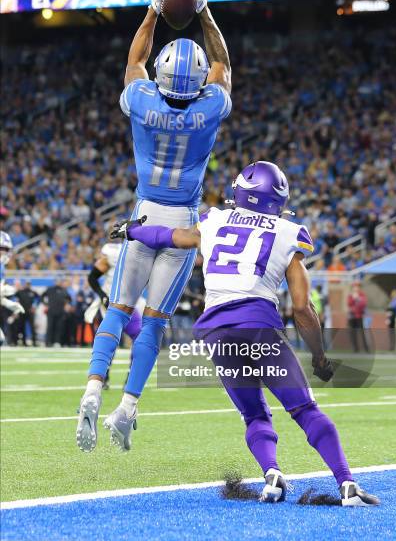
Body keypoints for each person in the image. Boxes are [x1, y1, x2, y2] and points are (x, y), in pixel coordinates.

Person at [111, 161, 379, 506]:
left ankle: (272, 475)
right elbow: (301, 307)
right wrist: (320, 356)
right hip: (257, 328)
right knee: (304, 409)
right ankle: (347, 484)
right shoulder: (288, 231)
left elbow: (171, 236)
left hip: (215, 333)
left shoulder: (215, 219)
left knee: (254, 414)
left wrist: (132, 230)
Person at [76, 0, 232, 452]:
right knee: (157, 320)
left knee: (119, 311)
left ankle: (91, 392)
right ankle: (127, 409)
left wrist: (151, 9)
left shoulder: (142, 99)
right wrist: (201, 10)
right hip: (182, 222)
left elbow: (135, 59)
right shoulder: (210, 106)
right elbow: (223, 62)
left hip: (143, 217)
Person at [84, 242, 142, 389]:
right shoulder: (112, 251)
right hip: (113, 302)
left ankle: (131, 378)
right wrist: (102, 295)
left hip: (130, 301)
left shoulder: (143, 250)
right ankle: (102, 377)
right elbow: (92, 277)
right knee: (109, 338)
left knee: (139, 337)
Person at [0, 231, 25, 344]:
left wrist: (8, 303)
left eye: (6, 249)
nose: (3, 252)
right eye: (1, 248)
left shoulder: (1, 267)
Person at [41, 279, 71, 347]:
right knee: (50, 327)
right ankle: (48, 342)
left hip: (60, 312)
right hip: (51, 311)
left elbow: (69, 299)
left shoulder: (63, 290)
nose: (58, 283)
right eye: (57, 281)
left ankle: (57, 342)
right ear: (55, 282)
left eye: (59, 281)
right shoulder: (50, 289)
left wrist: (67, 304)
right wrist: (45, 304)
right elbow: (42, 296)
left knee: (59, 327)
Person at [347, 281, 369, 353]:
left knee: (362, 333)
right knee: (353, 333)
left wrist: (357, 299)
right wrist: (353, 298)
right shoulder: (350, 295)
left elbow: (363, 304)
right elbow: (349, 304)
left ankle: (366, 348)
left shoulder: (362, 295)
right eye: (355, 287)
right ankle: (355, 348)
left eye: (357, 287)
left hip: (359, 316)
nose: (356, 288)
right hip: (352, 317)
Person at [14, 281, 38, 346]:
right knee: (21, 327)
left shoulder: (33, 292)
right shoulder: (20, 292)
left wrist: (34, 306)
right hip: (22, 312)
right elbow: (14, 298)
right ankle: (23, 342)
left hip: (30, 312)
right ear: (24, 285)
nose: (27, 286)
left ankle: (34, 342)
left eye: (28, 284)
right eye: (26, 284)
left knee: (32, 327)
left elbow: (38, 299)